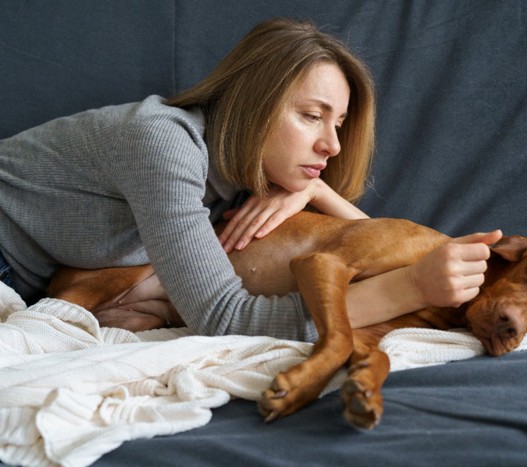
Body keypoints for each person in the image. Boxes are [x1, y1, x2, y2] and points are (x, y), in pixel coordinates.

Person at [0, 18, 501, 342]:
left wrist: (320, 191)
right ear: (252, 106)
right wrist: (412, 287)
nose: (333, 146)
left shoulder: (245, 183)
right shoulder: (163, 146)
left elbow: (375, 244)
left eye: (339, 125)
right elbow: (224, 318)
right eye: (311, 116)